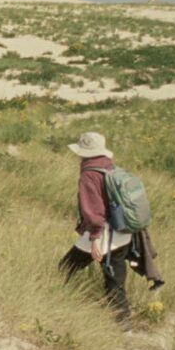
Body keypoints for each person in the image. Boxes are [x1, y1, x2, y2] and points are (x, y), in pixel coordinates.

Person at [58, 132, 133, 330]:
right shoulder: (111, 167)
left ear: (83, 153)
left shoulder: (89, 174)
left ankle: (58, 302)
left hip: (103, 235)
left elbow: (94, 210)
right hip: (123, 232)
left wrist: (95, 239)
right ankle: (125, 326)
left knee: (65, 268)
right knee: (115, 285)